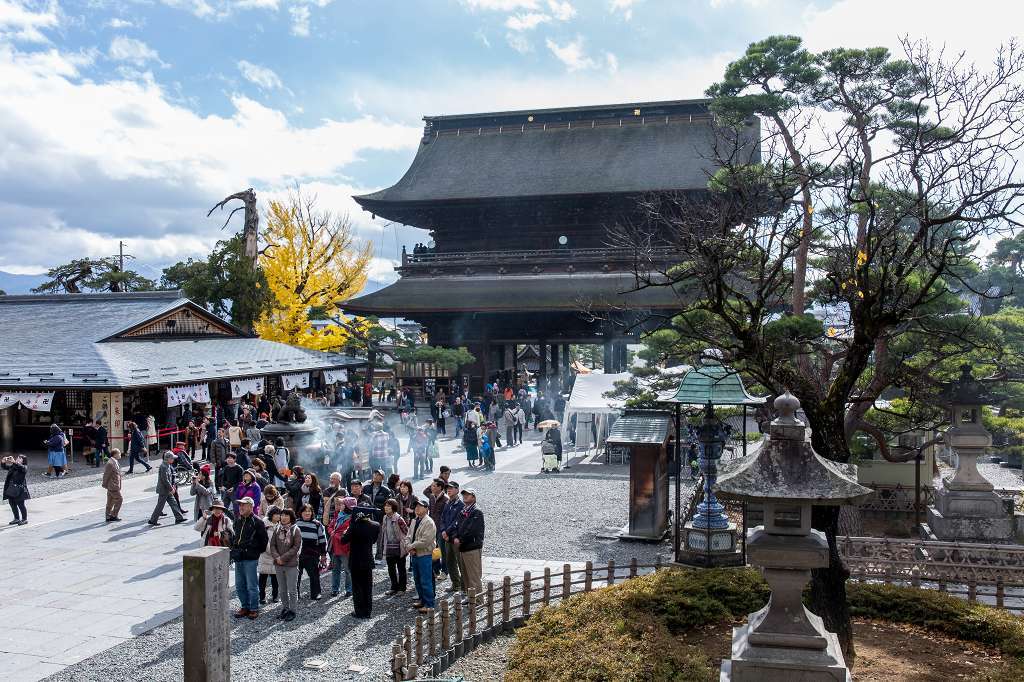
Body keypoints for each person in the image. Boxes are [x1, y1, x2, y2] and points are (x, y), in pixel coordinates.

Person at [231, 496, 269, 620]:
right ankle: (245, 606)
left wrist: (253, 552)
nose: (240, 507)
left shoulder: (257, 522)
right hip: (239, 557)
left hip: (250, 558)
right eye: (240, 505)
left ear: (251, 506)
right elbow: (235, 537)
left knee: (252, 585)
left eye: (244, 505)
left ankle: (253, 608)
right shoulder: (238, 520)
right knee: (239, 584)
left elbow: (264, 542)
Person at [342, 511, 380, 618]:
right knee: (367, 587)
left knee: (357, 587)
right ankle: (368, 611)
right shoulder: (375, 525)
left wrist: (346, 531)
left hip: (355, 560)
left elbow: (343, 540)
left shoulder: (354, 525)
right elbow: (373, 541)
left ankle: (359, 611)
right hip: (367, 559)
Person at [453, 488, 485, 600]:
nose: (465, 496)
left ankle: (479, 599)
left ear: (474, 497)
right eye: (464, 494)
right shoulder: (464, 510)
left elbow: (472, 530)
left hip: (472, 547)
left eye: (468, 494)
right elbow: (456, 526)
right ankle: (470, 596)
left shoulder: (476, 512)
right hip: (463, 547)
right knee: (466, 575)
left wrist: (460, 539)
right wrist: (455, 537)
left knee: (474, 575)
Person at [406, 497, 437, 612]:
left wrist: (411, 546)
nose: (417, 508)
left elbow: (426, 541)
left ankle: (429, 604)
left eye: (420, 506)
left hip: (425, 554)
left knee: (426, 579)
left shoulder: (429, 522)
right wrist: (409, 546)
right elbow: (408, 536)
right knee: (417, 579)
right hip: (414, 554)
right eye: (416, 506)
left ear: (426, 509)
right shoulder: (415, 520)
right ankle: (422, 600)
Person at [295, 503, 327, 601]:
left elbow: (322, 540)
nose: (307, 513)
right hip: (297, 554)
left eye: (309, 511)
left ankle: (316, 593)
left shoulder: (317, 524)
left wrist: (323, 555)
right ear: (301, 513)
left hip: (312, 554)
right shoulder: (295, 523)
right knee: (296, 575)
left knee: (314, 575)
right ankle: (295, 594)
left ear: (312, 513)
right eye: (305, 511)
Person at [148, 452, 186, 526]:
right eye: (172, 458)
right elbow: (165, 479)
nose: (173, 460)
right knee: (160, 505)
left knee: (173, 503)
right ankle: (153, 520)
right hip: (164, 490)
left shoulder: (167, 465)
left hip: (167, 489)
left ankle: (179, 518)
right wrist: (171, 488)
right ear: (168, 458)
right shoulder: (164, 467)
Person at [328, 496, 355, 597]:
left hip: (345, 548)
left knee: (348, 570)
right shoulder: (338, 514)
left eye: (343, 504)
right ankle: (335, 589)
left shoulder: (352, 519)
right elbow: (330, 526)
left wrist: (335, 535)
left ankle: (349, 589)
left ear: (348, 506)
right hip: (335, 548)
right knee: (335, 570)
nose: (340, 506)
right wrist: (332, 533)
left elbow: (348, 534)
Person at [440, 481, 464, 593]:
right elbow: (442, 518)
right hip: (446, 537)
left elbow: (457, 522)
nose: (448, 490)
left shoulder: (461, 505)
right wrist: (443, 530)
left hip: (455, 538)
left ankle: (464, 587)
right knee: (449, 562)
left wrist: (447, 531)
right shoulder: (448, 503)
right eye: (447, 488)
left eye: (451, 488)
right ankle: (456, 584)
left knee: (460, 563)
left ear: (457, 490)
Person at [381, 499, 409, 595]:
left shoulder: (399, 518)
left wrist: (406, 545)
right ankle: (394, 587)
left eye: (389, 506)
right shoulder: (385, 517)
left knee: (401, 568)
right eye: (385, 505)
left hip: (399, 547)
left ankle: (402, 588)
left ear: (394, 507)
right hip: (389, 547)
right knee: (391, 569)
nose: (386, 507)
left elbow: (406, 531)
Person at [424, 478, 448, 577]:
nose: (431, 487)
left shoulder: (446, 499)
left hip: (441, 529)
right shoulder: (431, 497)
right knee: (434, 549)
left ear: (440, 487)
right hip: (432, 527)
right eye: (432, 485)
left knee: (443, 550)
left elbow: (446, 516)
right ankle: (436, 569)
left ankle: (445, 571)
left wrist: (444, 529)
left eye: (434, 486)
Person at [258, 508, 282, 605]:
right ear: (271, 514)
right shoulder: (264, 525)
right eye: (276, 514)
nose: (278, 516)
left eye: (279, 514)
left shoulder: (280, 526)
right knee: (263, 577)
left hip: (276, 555)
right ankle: (262, 597)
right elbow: (263, 540)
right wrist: (273, 551)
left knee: (275, 578)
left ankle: (275, 595)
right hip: (265, 554)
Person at [1, 454, 29, 526]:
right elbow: (5, 467)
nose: (18, 459)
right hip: (11, 488)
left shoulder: (24, 467)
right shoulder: (14, 466)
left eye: (20, 458)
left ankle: (24, 519)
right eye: (18, 457)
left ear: (23, 461)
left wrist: (14, 462)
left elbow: (21, 468)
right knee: (12, 504)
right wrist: (3, 462)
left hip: (19, 490)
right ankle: (16, 518)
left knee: (21, 505)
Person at [102, 448, 124, 522]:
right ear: (115, 454)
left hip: (113, 485)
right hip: (113, 486)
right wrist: (104, 484)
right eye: (119, 453)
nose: (120, 454)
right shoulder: (110, 463)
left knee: (110, 501)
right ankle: (113, 515)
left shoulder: (114, 461)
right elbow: (106, 475)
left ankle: (108, 516)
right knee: (119, 499)